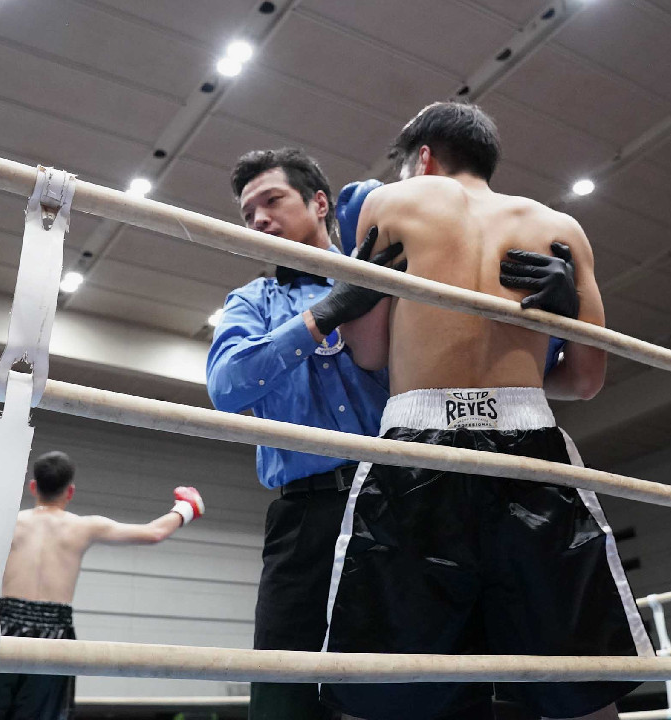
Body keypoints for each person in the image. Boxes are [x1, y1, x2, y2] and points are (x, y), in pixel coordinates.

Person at [207, 148, 582, 720]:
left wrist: (561, 320)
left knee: (419, 689)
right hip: (306, 517)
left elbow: (483, 360)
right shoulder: (252, 302)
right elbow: (227, 387)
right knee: (284, 691)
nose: (259, 219)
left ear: (319, 202)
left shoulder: (397, 274)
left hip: (405, 500)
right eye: (247, 212)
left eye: (272, 200)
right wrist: (324, 314)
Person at [320, 102, 654, 720]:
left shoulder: (387, 203)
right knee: (577, 678)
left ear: (422, 158)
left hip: (418, 442)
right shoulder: (560, 228)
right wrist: (529, 350)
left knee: (393, 683)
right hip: (529, 440)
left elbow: (368, 355)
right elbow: (586, 380)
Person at [0, 450, 205, 720]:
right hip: (55, 635)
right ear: (70, 491)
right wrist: (185, 507)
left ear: (33, 487)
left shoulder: (9, 522)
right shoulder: (86, 526)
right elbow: (153, 533)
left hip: (2, 629)